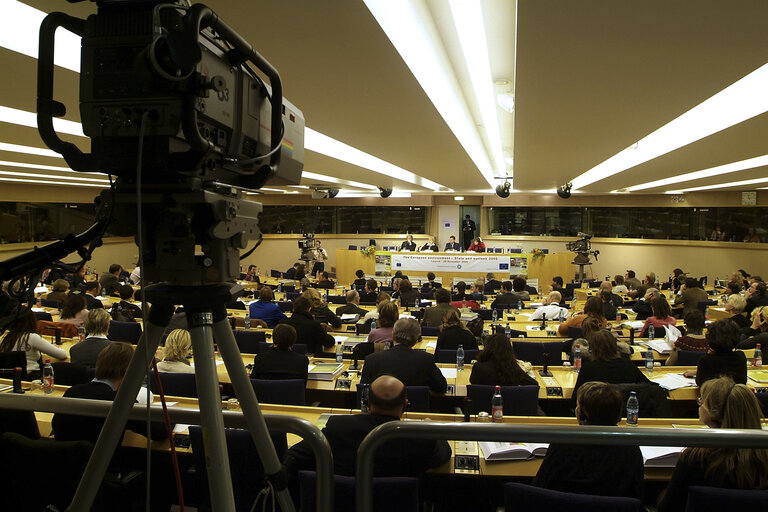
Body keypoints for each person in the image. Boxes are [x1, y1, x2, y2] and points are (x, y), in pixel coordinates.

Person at [282, 375, 451, 478]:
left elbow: (295, 454)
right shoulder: (419, 439)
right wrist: (430, 427)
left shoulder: (338, 427)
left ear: (367, 403)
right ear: (405, 405)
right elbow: (444, 454)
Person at [658, 377, 768, 512]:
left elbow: (670, 507)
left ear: (713, 412)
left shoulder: (695, 458)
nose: (699, 405)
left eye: (701, 401)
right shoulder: (764, 455)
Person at [534, 382, 644, 499]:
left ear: (582, 415)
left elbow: (540, 487)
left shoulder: (562, 445)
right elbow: (637, 495)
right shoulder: (630, 449)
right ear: (618, 416)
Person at [52, 342, 168, 447]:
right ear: (127, 370)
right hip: (103, 469)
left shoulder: (71, 392)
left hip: (64, 467)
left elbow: (55, 426)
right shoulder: (120, 402)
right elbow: (160, 432)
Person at [360, 318, 447, 393]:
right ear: (416, 340)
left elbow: (362, 391)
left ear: (393, 335)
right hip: (416, 410)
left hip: (382, 410)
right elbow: (442, 387)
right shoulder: (426, 360)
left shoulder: (372, 360)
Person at [573, 330, 650, 397]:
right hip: (624, 411)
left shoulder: (588, 368)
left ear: (593, 350)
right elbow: (649, 387)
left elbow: (576, 397)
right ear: (615, 346)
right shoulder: (629, 365)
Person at [0, 308, 67, 380]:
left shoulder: (5, 337)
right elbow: (62, 355)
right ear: (32, 321)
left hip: (10, 379)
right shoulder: (32, 337)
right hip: (32, 377)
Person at [684, 319, 746, 386]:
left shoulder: (706, 360)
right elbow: (741, 380)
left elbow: (700, 382)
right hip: (736, 395)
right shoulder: (740, 357)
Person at [469, 333, 537, 386]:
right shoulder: (513, 369)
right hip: (509, 403)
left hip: (482, 403)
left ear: (487, 349)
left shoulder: (478, 367)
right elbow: (533, 384)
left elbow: (473, 384)